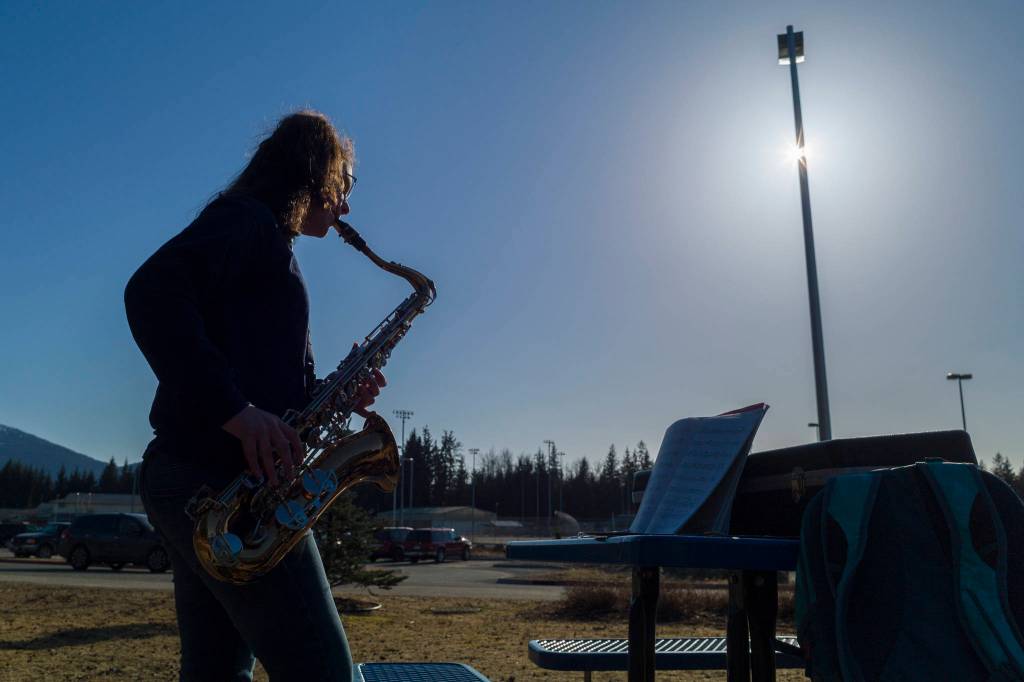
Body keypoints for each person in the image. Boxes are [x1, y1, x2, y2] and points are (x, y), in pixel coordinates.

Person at [125, 110, 383, 682]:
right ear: (314, 173)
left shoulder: (263, 239)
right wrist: (236, 414)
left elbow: (256, 377)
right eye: (343, 184)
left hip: (197, 481)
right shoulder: (246, 222)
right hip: (222, 485)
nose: (345, 204)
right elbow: (150, 292)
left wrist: (329, 396)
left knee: (215, 673)